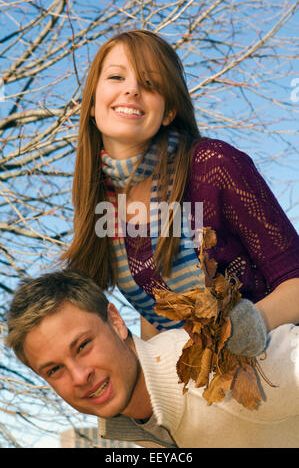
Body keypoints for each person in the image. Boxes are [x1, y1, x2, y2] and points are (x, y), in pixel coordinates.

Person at [61, 29, 299, 355]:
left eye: (150, 83)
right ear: (91, 104)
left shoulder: (213, 166)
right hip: (201, 391)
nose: (131, 89)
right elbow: (158, 313)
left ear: (169, 111)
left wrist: (252, 322)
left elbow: (295, 277)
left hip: (282, 362)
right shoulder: (103, 203)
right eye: (117, 76)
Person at [6, 270, 299, 448]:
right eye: (55, 369)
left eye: (83, 346)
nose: (80, 376)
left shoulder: (224, 367)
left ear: (116, 322)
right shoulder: (134, 428)